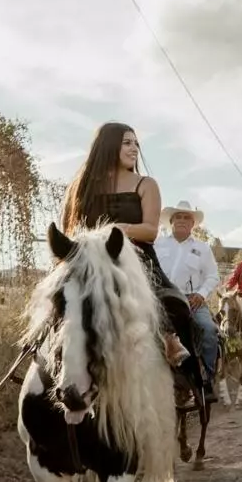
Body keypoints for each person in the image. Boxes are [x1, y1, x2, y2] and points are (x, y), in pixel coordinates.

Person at [59, 121, 204, 393]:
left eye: (136, 143)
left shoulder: (146, 184)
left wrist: (118, 230)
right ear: (108, 145)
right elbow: (71, 230)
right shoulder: (81, 187)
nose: (134, 148)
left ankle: (189, 375)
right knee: (59, 298)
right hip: (91, 259)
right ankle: (44, 349)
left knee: (177, 306)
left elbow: (150, 231)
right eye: (127, 142)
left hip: (138, 257)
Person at [155, 200, 220, 395]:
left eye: (186, 218)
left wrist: (201, 294)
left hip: (191, 300)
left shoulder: (203, 248)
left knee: (208, 331)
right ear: (171, 221)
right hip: (161, 298)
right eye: (178, 217)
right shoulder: (157, 244)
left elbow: (213, 275)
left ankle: (207, 378)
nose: (182, 220)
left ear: (193, 224)